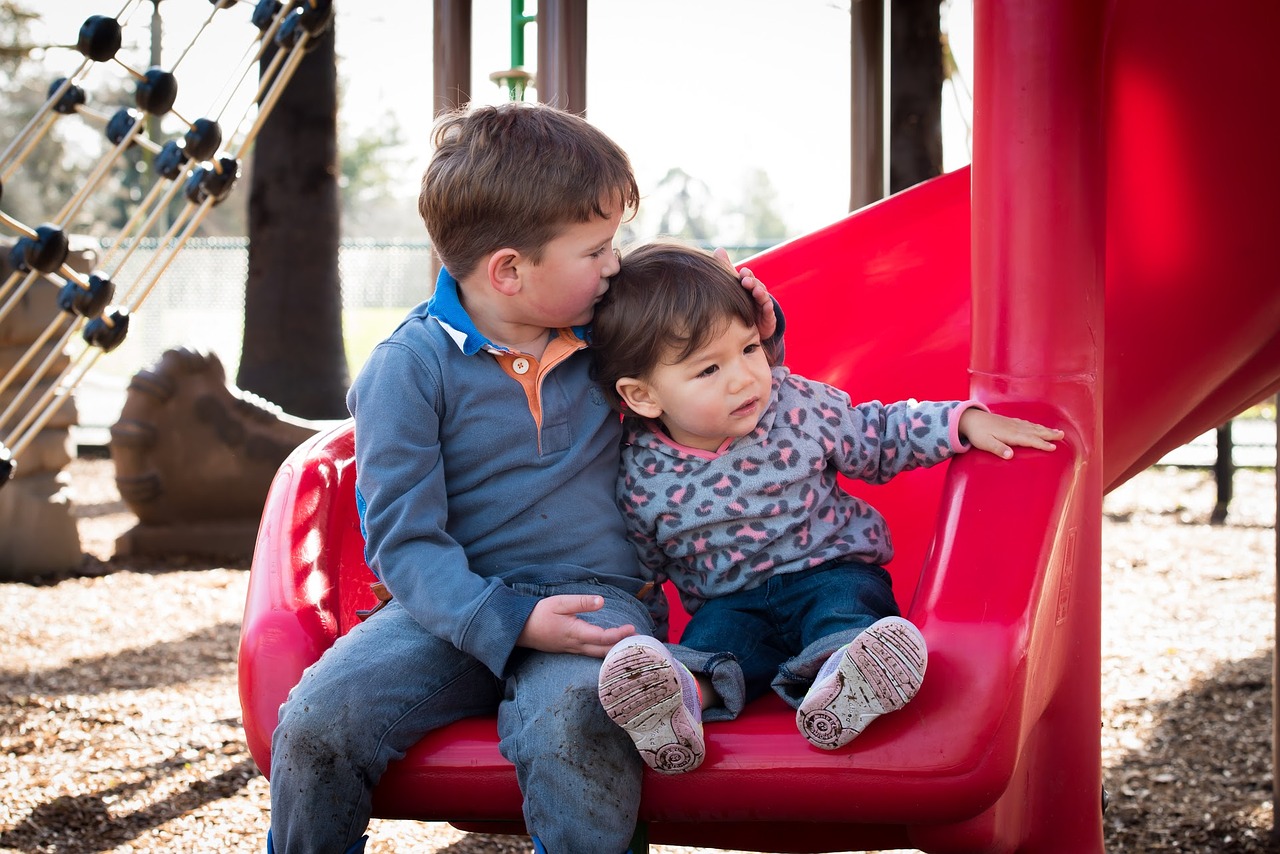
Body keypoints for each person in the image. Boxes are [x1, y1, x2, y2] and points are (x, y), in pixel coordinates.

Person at [266, 104, 773, 854]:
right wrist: (506, 621)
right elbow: (404, 544)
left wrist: (756, 322)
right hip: (452, 608)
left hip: (596, 601)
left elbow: (707, 375)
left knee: (577, 724)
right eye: (596, 249)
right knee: (317, 723)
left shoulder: (611, 328)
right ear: (509, 270)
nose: (614, 264)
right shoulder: (408, 370)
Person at [591, 240, 1066, 774]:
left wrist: (960, 423)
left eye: (750, 348)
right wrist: (646, 636)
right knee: (716, 649)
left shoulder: (798, 407)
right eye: (708, 370)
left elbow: (878, 434)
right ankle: (676, 704)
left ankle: (847, 682)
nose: (745, 376)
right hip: (731, 602)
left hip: (829, 570)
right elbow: (644, 570)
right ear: (643, 396)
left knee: (846, 613)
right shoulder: (641, 473)